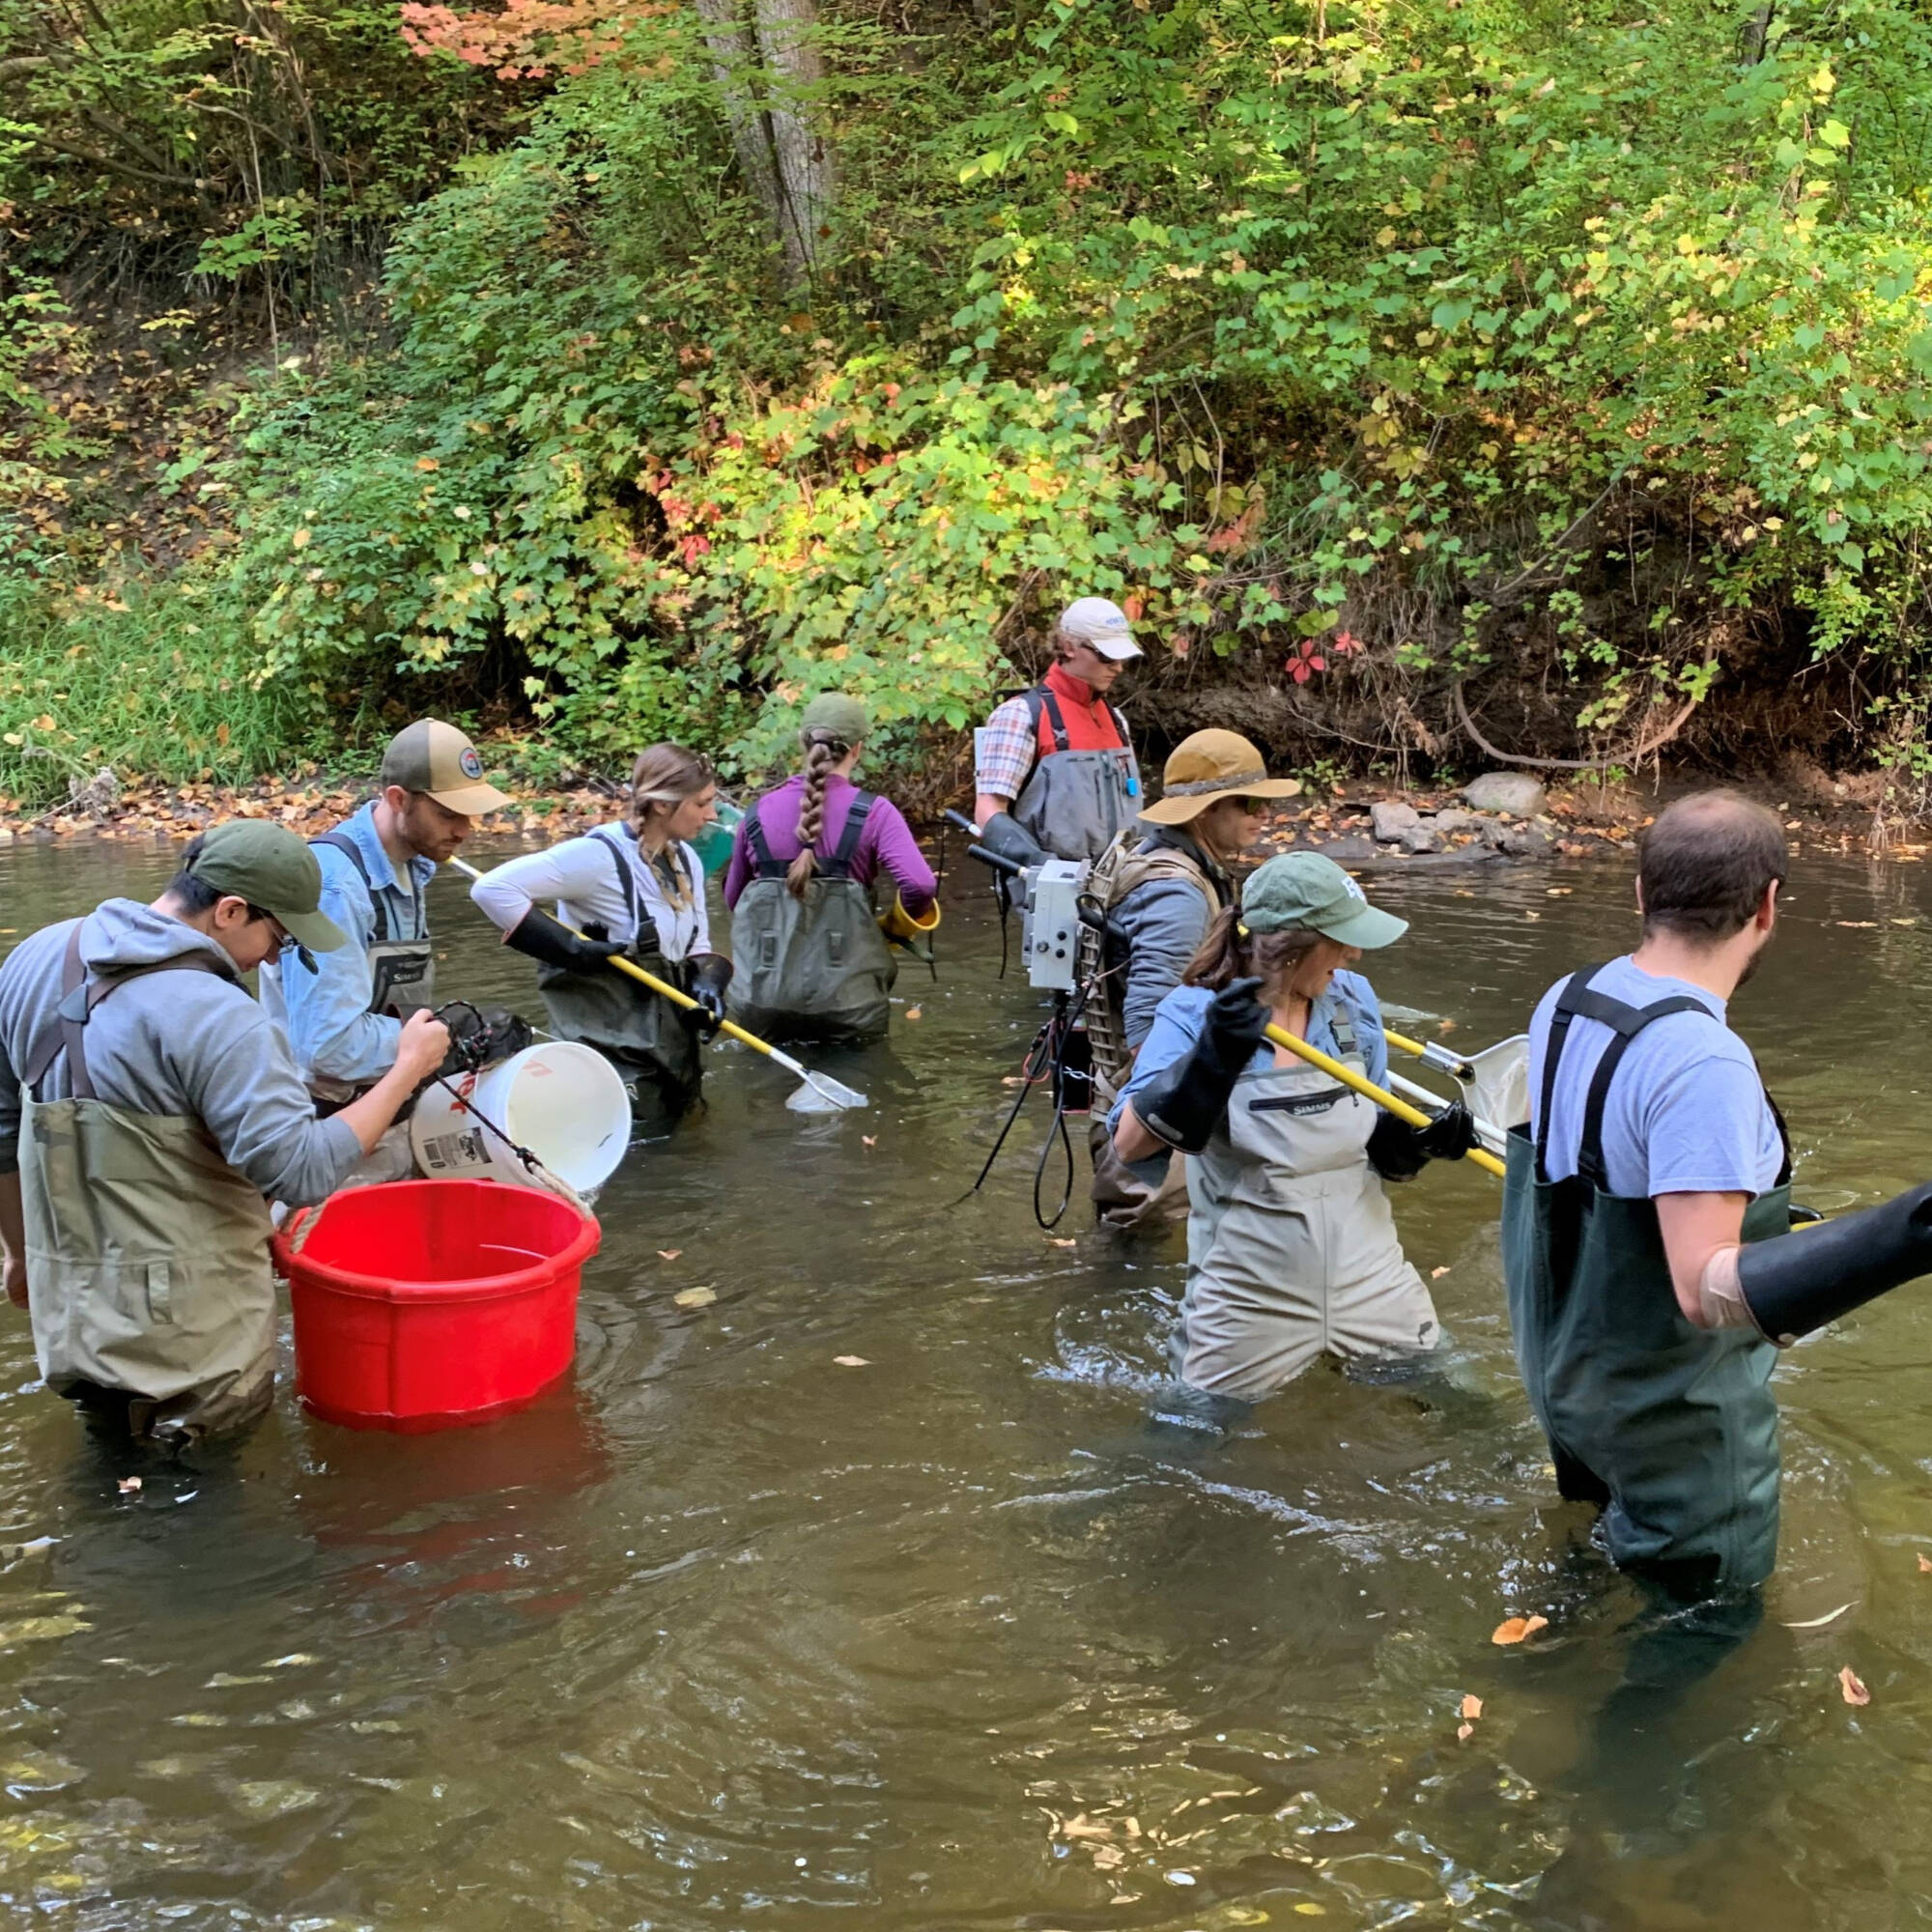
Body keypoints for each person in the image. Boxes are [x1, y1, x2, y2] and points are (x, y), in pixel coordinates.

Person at [1505, 790, 1932, 1605]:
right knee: (1707, 1628)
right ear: (1769, 904)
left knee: (1597, 1570)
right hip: (1671, 1426)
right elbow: (1704, 1292)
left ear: (1641, 894)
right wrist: (1905, 1237)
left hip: (1567, 1385)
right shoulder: (1705, 1064)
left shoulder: (1567, 999)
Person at [0, 822, 451, 1443]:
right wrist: (406, 1069)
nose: (271, 959)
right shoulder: (222, 1016)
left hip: (68, 1312)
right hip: (188, 1342)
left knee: (113, 1465)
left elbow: (5, 1131)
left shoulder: (34, 956)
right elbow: (303, 1171)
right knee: (202, 1495)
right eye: (277, 938)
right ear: (230, 910)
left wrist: (22, 1256)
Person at [1110, 853, 1474, 1404]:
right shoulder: (1192, 1013)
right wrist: (1212, 1057)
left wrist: (1414, 1146)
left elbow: (1371, 1135)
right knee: (1188, 1442)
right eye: (1341, 939)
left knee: (1459, 1405)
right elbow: (1128, 1145)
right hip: (1247, 1290)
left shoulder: (1352, 1002)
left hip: (1368, 1274)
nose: (1353, 953)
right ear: (1291, 944)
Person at [262, 718, 521, 1183]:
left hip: (386, 1109)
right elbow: (326, 1048)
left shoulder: (411, 865)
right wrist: (445, 1043)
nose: (466, 830)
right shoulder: (338, 888)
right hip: (324, 1133)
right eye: (448, 814)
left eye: (470, 814)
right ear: (399, 800)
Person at [1084, 729, 1302, 1229]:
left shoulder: (1158, 858)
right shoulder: (1178, 896)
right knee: (1159, 1267)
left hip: (1142, 1114)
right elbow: (1148, 1034)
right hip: (1159, 1130)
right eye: (1247, 803)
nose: (1263, 815)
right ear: (1204, 810)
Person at [469, 743, 732, 1130]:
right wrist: (570, 950)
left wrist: (709, 981)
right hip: (604, 1058)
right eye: (702, 803)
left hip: (670, 1049)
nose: (712, 815)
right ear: (662, 805)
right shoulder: (596, 858)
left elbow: (696, 945)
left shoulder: (687, 860)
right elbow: (491, 890)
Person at [722, 694, 938, 1042]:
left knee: (762, 1091)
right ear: (857, 749)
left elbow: (735, 901)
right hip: (849, 1006)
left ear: (803, 742)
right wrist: (889, 931)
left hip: (763, 1005)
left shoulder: (756, 814)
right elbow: (920, 885)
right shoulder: (876, 813)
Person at [972, 596, 1144, 865]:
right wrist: (1037, 865)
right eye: (1106, 655)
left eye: (1120, 656)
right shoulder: (1020, 715)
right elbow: (988, 808)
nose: (1117, 667)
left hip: (1123, 882)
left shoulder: (1116, 719)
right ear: (1069, 647)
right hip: (1050, 889)